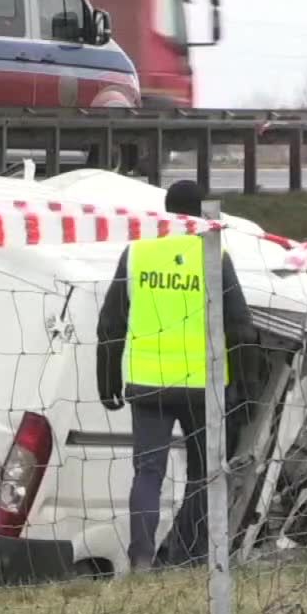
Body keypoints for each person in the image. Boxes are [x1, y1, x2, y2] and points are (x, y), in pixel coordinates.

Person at [96, 180, 256, 571]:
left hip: (148, 384)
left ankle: (141, 557)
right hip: (202, 386)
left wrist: (107, 377)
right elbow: (240, 327)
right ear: (204, 211)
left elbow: (111, 321)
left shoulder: (138, 251)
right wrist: (245, 387)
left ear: (166, 210)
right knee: (202, 474)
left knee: (148, 473)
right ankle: (190, 556)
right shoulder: (214, 253)